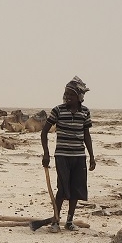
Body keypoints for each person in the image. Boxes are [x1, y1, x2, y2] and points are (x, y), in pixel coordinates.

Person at [40, 76, 94, 232]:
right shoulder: (58, 110)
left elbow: (86, 135)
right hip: (62, 156)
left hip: (79, 156)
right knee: (62, 189)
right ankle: (55, 221)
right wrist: (46, 153)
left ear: (79, 97)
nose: (67, 97)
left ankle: (69, 221)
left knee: (76, 189)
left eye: (71, 95)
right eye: (66, 94)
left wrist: (91, 156)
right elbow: (44, 133)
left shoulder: (85, 112)